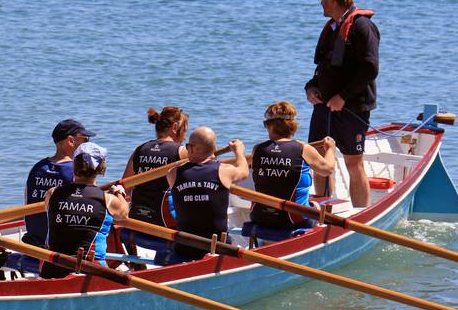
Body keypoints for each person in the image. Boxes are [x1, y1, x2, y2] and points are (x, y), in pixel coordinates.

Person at [304, 0, 380, 207]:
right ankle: (326, 208)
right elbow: (323, 67)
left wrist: (342, 97)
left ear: (334, 0)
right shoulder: (332, 27)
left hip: (352, 108)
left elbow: (370, 68)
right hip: (324, 107)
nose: (320, 3)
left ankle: (360, 213)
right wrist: (311, 87)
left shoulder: (362, 27)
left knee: (353, 163)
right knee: (317, 159)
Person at [40, 142, 129, 279]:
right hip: (92, 271)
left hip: (52, 270)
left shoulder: (52, 194)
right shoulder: (108, 200)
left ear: (74, 165)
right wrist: (119, 192)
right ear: (101, 168)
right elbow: (124, 214)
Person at [250, 101, 336, 229]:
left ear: (270, 126)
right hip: (293, 220)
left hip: (259, 216)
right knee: (317, 206)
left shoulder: (257, 149)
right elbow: (328, 169)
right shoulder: (303, 149)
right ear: (293, 126)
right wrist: (330, 149)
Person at [168, 127, 249, 259]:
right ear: (213, 149)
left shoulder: (173, 173)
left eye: (187, 146)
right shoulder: (224, 171)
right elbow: (244, 171)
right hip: (218, 247)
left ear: (192, 148)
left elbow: (192, 168)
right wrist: (239, 151)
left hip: (184, 248)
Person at [24, 119, 96, 247]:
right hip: (59, 243)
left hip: (34, 239)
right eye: (85, 141)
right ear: (71, 141)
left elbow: (27, 201)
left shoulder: (37, 167)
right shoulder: (77, 170)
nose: (87, 146)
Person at [122, 107, 188, 227]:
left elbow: (125, 186)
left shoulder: (140, 149)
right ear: (174, 127)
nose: (184, 137)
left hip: (137, 217)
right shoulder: (181, 152)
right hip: (165, 220)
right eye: (184, 131)